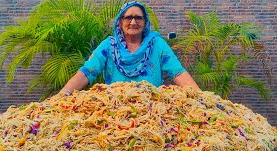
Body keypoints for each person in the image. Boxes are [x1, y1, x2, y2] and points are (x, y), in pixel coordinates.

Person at [60, 1, 200, 95]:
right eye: (128, 18)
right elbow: (87, 72)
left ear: (145, 22)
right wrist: (64, 93)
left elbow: (178, 73)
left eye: (138, 18)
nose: (133, 22)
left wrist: (202, 97)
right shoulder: (109, 46)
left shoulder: (157, 45)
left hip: (151, 112)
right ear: (120, 22)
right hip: (115, 111)